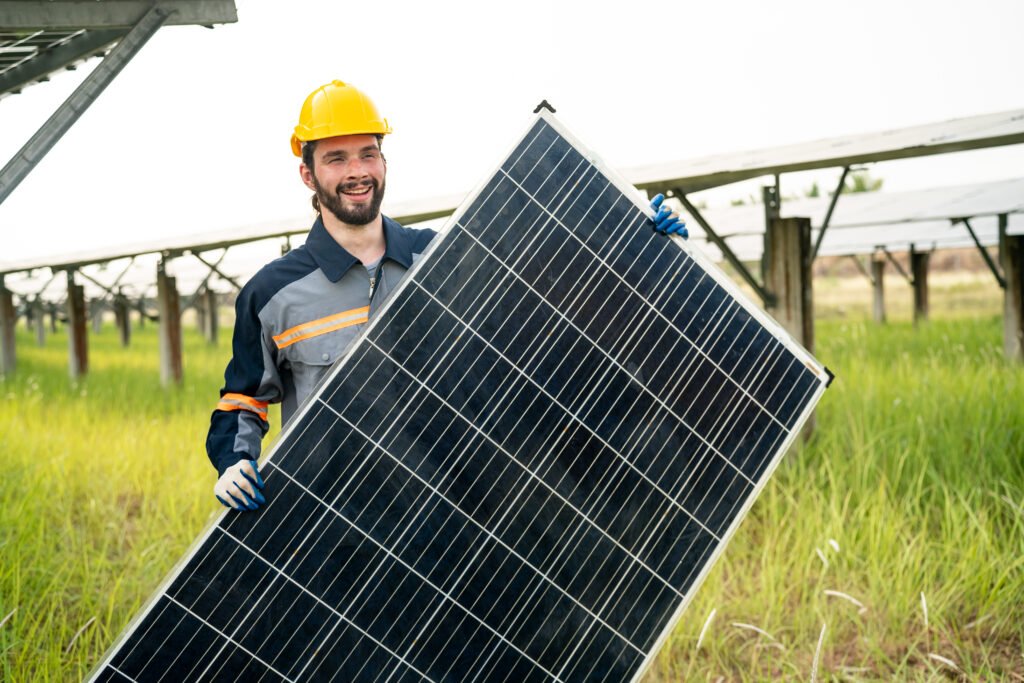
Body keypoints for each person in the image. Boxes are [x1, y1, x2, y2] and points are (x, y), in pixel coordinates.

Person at [207, 80, 688, 511]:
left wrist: (643, 243)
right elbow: (243, 401)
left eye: (368, 153)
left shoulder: (445, 256)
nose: (357, 171)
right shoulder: (271, 293)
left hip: (459, 505)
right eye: (336, 158)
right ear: (308, 175)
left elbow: (553, 307)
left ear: (384, 161)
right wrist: (234, 462)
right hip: (338, 514)